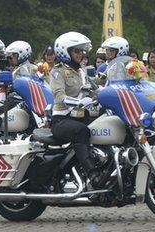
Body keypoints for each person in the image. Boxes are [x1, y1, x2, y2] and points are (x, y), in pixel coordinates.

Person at [49, 31, 101, 187]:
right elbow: (59, 96)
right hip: (62, 120)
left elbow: (95, 90)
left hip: (80, 117)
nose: (80, 54)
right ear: (66, 52)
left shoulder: (81, 71)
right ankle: (92, 173)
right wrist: (78, 102)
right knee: (82, 131)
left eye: (81, 51)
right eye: (76, 51)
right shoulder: (57, 72)